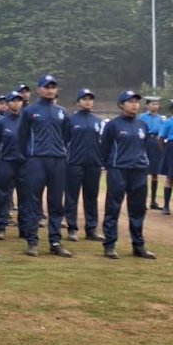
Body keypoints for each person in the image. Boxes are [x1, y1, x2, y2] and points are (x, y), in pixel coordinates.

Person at [18, 74, 73, 258]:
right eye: (46, 86)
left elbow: (67, 136)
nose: (50, 90)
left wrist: (59, 150)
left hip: (57, 160)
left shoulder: (62, 112)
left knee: (56, 203)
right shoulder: (30, 111)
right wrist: (28, 157)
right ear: (39, 89)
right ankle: (32, 241)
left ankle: (55, 241)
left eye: (53, 87)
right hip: (36, 160)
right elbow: (22, 137)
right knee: (34, 201)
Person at [99, 91, 156, 259]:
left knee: (138, 210)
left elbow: (144, 146)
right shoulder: (113, 125)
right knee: (113, 208)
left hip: (138, 171)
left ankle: (138, 245)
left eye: (137, 102)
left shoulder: (142, 125)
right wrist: (110, 166)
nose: (134, 105)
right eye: (130, 101)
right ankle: (109, 245)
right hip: (118, 170)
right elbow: (104, 148)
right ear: (121, 105)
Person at [65, 88, 103, 242]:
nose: (88, 101)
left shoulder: (98, 121)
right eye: (84, 98)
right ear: (78, 101)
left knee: (91, 197)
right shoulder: (71, 120)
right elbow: (64, 140)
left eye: (90, 99)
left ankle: (91, 229)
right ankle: (72, 228)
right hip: (74, 163)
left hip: (93, 164)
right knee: (72, 197)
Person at [0, 91, 25, 241]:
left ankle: (24, 228)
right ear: (8, 104)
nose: (16, 103)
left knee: (24, 196)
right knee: (2, 196)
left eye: (19, 100)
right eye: (13, 101)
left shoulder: (27, 121)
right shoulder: (1, 122)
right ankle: (1, 226)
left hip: (24, 164)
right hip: (5, 162)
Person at [139, 97, 165, 209]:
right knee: (144, 172)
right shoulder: (142, 117)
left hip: (156, 142)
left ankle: (153, 201)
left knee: (155, 172)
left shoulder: (160, 118)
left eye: (157, 104)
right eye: (153, 104)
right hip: (145, 141)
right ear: (147, 106)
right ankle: (142, 200)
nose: (156, 106)